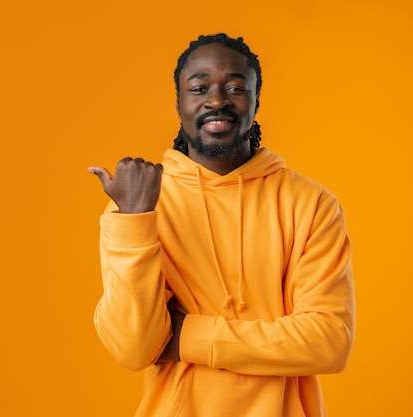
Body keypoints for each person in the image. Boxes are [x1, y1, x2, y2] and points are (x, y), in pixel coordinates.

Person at [88, 33, 355, 417]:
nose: (217, 101)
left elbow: (329, 342)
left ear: (256, 100)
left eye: (234, 87)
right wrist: (135, 221)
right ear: (179, 102)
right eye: (200, 88)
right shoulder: (139, 204)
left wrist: (189, 336)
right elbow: (134, 349)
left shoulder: (311, 204)